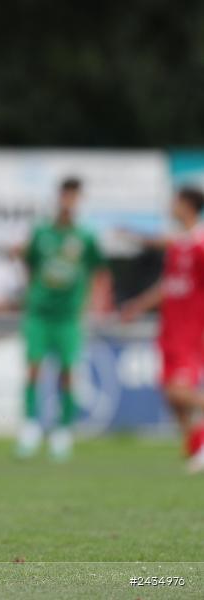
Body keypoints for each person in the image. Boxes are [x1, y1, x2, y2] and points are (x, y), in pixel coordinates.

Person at [15, 177, 108, 462]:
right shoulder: (41, 232)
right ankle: (31, 427)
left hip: (69, 316)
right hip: (39, 314)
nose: (69, 202)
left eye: (74, 197)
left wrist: (96, 304)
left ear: (79, 200)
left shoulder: (86, 236)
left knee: (68, 371)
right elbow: (28, 263)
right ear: (59, 198)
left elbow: (99, 271)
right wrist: (33, 293)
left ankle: (62, 432)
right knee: (33, 367)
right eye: (65, 196)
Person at [121, 187, 204, 472]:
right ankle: (196, 448)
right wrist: (138, 306)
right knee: (170, 395)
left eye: (176, 201)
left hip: (192, 331)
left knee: (178, 393)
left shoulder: (200, 245)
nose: (171, 206)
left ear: (188, 206)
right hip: (169, 329)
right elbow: (167, 288)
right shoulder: (179, 244)